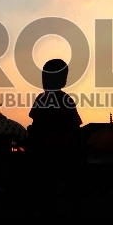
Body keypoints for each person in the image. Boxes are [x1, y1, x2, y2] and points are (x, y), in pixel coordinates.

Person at [27, 59, 83, 211]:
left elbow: (36, 126)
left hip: (50, 150)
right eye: (44, 77)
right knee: (62, 184)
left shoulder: (43, 100)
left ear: (63, 80)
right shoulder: (65, 100)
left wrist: (32, 141)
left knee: (49, 184)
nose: (45, 81)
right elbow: (76, 128)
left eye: (48, 77)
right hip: (63, 150)